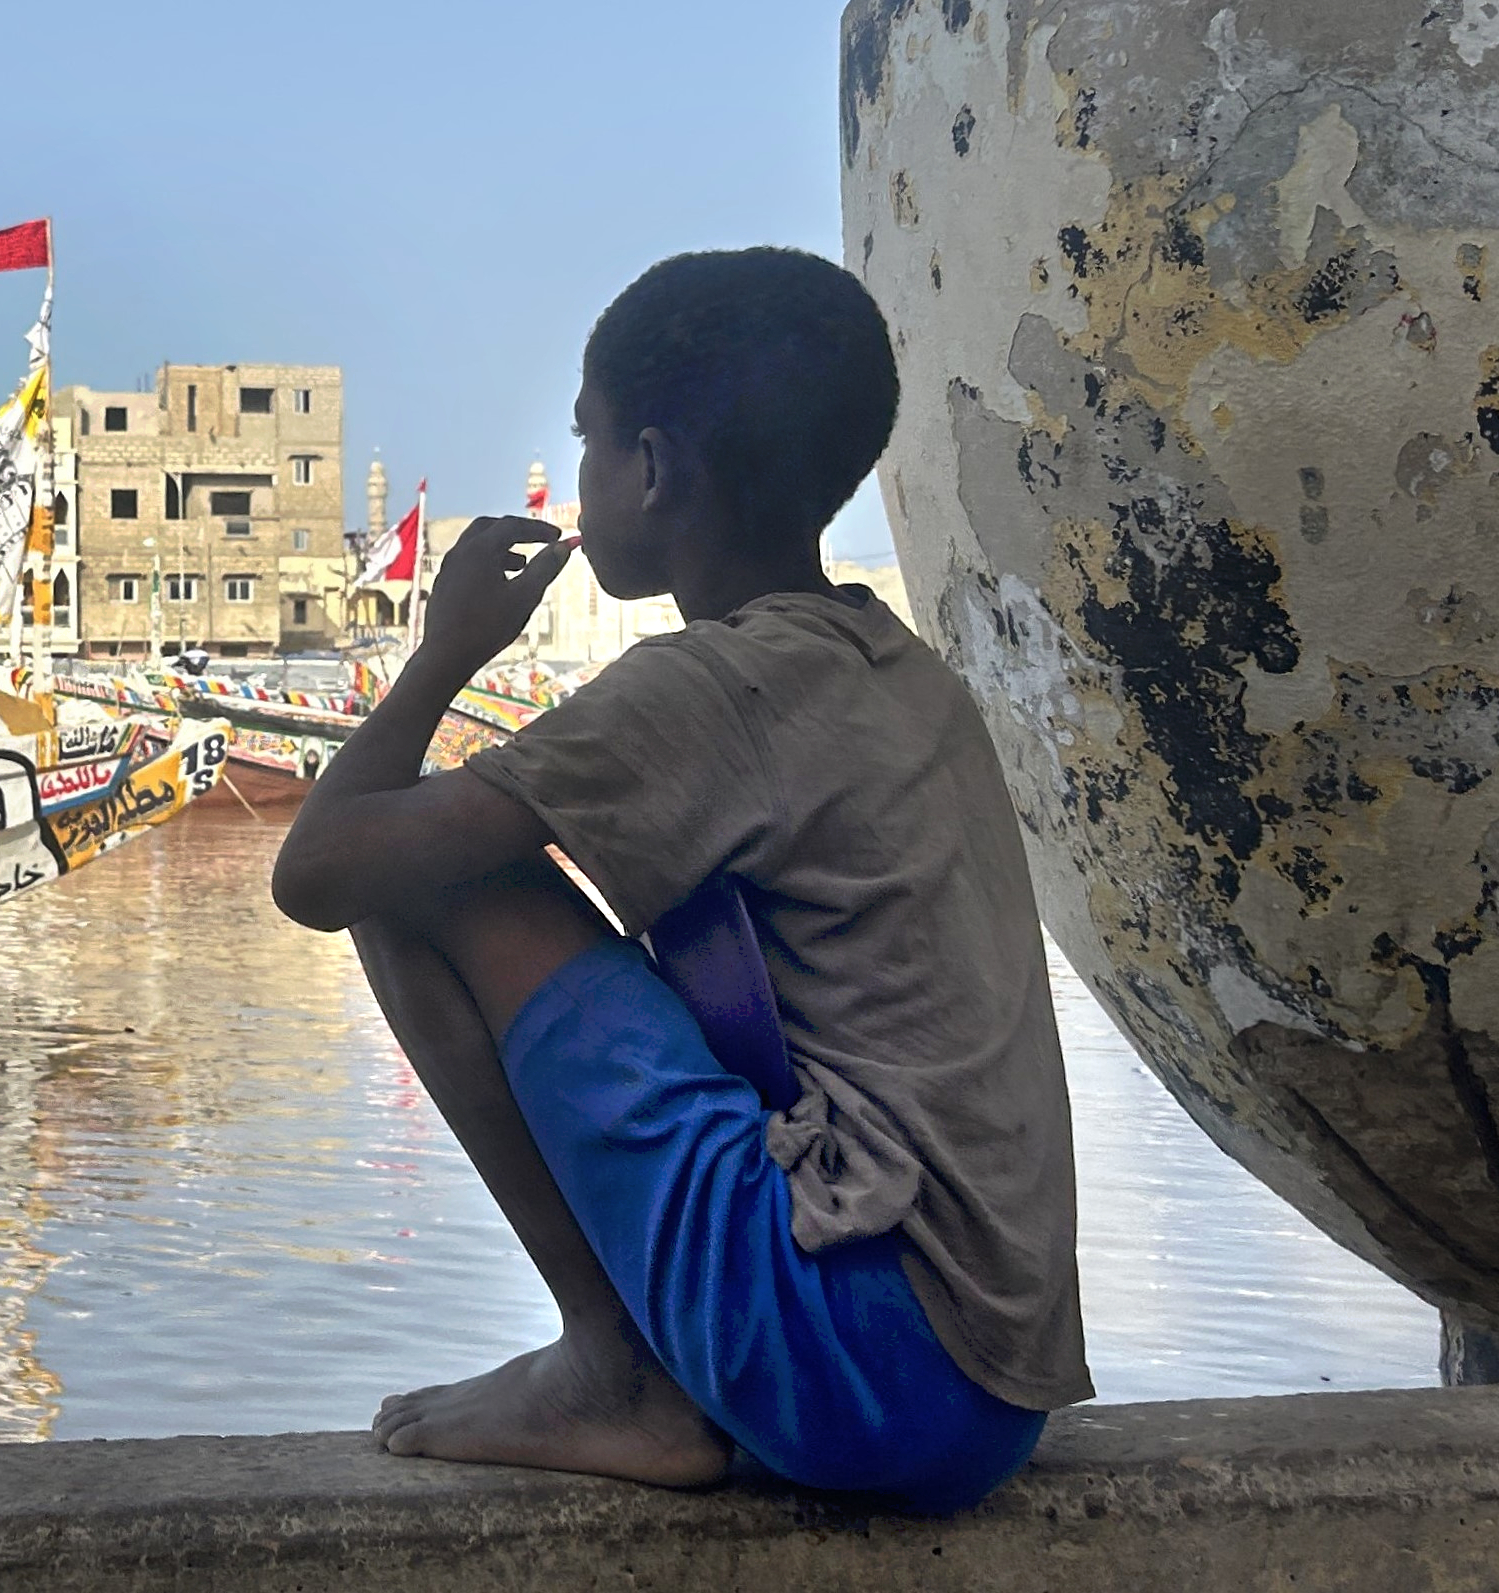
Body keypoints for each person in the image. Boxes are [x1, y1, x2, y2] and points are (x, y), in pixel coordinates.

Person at [271, 249, 1088, 1513]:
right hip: (989, 1397)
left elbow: (320, 869)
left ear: (650, 470)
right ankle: (644, 1369)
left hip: (863, 1369)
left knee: (417, 885)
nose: (584, 476)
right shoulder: (896, 673)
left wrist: (443, 656)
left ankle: (615, 1373)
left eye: (590, 443)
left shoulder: (709, 686)